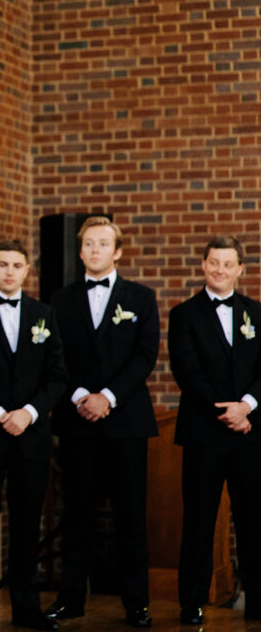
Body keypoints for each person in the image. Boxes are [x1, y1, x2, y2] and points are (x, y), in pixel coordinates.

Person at [46, 216, 158, 628]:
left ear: (118, 251)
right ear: (80, 252)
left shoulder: (141, 298)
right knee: (76, 514)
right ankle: (71, 599)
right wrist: (81, 396)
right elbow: (56, 355)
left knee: (131, 515)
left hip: (126, 421)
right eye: (89, 244)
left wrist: (107, 397)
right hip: (77, 420)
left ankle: (137, 602)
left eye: (103, 243)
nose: (95, 250)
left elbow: (145, 356)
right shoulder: (59, 299)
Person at [0, 240, 67, 632]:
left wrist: (28, 412)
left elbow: (57, 375)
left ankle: (26, 607)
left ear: (27, 270)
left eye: (17, 265)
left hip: (30, 435)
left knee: (27, 523)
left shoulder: (44, 314)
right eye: (3, 264)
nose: (9, 271)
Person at [168, 235, 261, 626]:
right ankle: (192, 602)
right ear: (203, 265)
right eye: (214, 262)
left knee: (254, 520)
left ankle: (258, 601)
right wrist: (226, 411)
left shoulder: (257, 313)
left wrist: (248, 406)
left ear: (240, 269)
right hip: (204, 432)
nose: (220, 270)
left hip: (250, 433)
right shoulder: (183, 314)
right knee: (199, 520)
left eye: (228, 264)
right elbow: (186, 372)